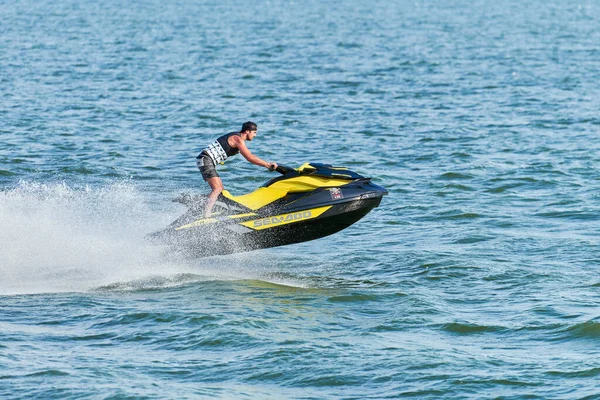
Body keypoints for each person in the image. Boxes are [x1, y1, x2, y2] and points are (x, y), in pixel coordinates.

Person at [196, 121, 278, 217]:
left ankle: (198, 203)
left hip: (205, 160)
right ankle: (206, 214)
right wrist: (267, 164)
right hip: (205, 159)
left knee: (220, 189)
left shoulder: (237, 138)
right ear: (247, 131)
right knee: (217, 188)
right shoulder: (237, 138)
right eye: (254, 132)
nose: (255, 135)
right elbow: (250, 157)